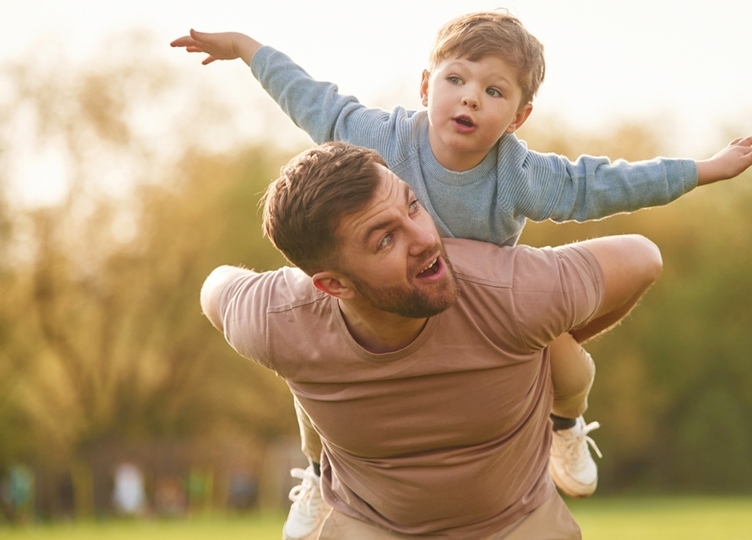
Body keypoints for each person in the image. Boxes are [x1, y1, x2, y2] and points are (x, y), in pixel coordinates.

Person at [173, 11, 752, 538]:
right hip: (392, 302)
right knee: (311, 384)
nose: (469, 99)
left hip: (486, 310)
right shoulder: (378, 139)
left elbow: (605, 184)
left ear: (518, 115)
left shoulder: (522, 175)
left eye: (493, 91)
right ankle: (322, 475)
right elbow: (310, 99)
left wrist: (704, 169)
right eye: (456, 80)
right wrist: (248, 48)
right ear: (427, 85)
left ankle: (563, 426)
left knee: (572, 365)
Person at [200, 142, 666, 538]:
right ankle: (319, 474)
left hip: (517, 522)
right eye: (385, 240)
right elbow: (214, 290)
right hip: (369, 524)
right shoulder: (277, 318)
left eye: (412, 206)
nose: (424, 239)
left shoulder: (508, 291)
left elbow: (643, 258)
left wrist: (542, 343)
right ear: (333, 285)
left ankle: (567, 423)